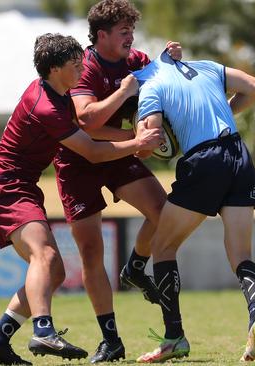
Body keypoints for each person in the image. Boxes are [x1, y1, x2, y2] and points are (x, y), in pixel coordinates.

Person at [0, 33, 162, 366]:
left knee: (54, 271)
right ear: (54, 68)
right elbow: (91, 150)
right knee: (44, 256)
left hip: (20, 187)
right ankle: (43, 330)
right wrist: (137, 142)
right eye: (75, 65)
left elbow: (93, 129)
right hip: (7, 188)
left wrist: (135, 135)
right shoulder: (46, 104)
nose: (81, 69)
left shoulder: (58, 97)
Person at [59, 0, 182, 362]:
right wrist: (127, 98)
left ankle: (136, 266)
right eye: (123, 31)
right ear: (102, 36)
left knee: (163, 213)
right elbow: (86, 120)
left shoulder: (137, 61)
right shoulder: (84, 65)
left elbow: (163, 82)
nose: (131, 36)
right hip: (78, 159)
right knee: (92, 253)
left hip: (117, 152)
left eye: (132, 29)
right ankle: (110, 340)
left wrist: (169, 59)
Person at [130, 50, 255, 362]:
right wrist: (223, 113)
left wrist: (143, 142)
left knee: (162, 246)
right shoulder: (204, 66)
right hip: (238, 154)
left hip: (205, 160)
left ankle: (174, 336)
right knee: (241, 255)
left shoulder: (149, 83)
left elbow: (150, 138)